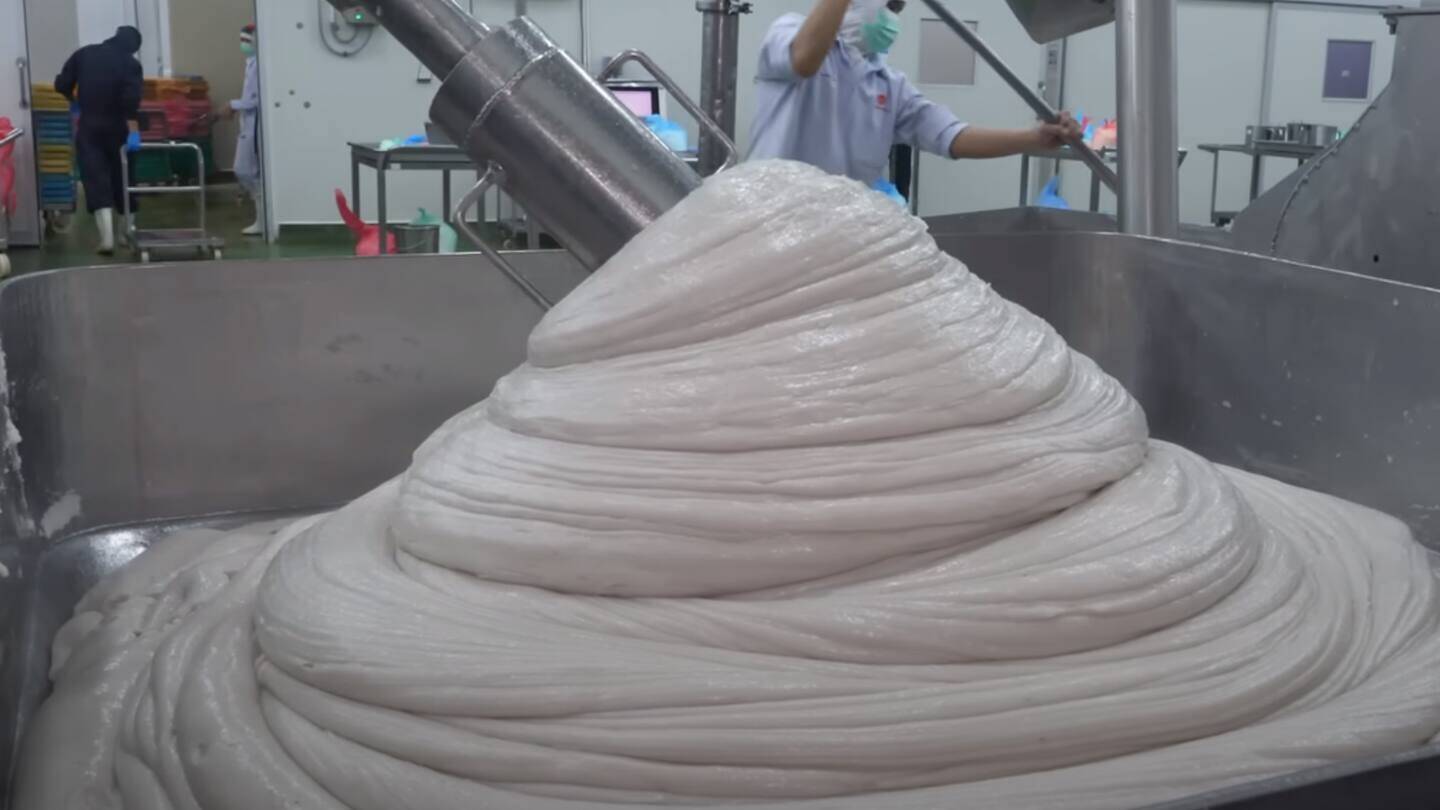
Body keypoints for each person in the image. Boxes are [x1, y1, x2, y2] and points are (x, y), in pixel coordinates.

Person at [748, 0, 1082, 198]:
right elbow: (803, 60)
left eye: (898, 9)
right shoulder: (789, 32)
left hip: (837, 225)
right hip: (772, 213)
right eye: (889, 5)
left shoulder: (889, 85)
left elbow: (952, 136)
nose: (892, 18)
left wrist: (1032, 138)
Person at [54, 26, 145, 255]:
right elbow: (131, 100)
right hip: (120, 129)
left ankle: (106, 239)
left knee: (95, 178)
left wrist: (74, 101)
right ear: (132, 46)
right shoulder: (131, 64)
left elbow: (62, 83)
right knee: (124, 178)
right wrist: (134, 130)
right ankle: (126, 233)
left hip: (90, 127)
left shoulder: (84, 54)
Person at [229, 24, 264, 237]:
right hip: (248, 124)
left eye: (247, 41)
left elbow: (254, 100)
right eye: (241, 40)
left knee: (247, 170)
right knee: (246, 171)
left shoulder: (260, 65)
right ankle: (261, 218)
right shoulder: (251, 63)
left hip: (256, 124)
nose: (244, 45)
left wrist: (231, 106)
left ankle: (262, 220)